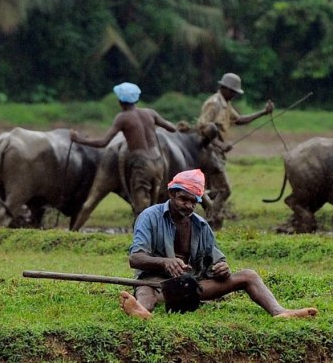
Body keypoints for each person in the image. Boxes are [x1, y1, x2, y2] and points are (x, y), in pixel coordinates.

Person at [119, 168, 318, 320]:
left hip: (192, 285)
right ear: (171, 194)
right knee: (145, 290)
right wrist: (164, 263)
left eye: (192, 202)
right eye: (182, 199)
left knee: (249, 275)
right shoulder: (150, 216)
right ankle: (141, 310)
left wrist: (221, 269)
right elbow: (135, 258)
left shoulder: (201, 225)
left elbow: (216, 261)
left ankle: (280, 311)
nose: (187, 206)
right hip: (156, 283)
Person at [71, 82, 177, 217]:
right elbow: (172, 128)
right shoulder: (150, 113)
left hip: (142, 164)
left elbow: (103, 142)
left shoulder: (122, 118)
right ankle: (153, 233)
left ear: (120, 101)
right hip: (159, 162)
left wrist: (79, 139)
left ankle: (142, 235)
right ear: (136, 99)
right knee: (154, 202)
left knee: (141, 205)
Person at [195, 72, 273, 228]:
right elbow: (202, 127)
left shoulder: (225, 103)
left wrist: (263, 113)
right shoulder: (214, 103)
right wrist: (220, 145)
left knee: (214, 190)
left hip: (217, 153)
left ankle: (209, 214)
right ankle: (211, 219)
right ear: (223, 88)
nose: (234, 95)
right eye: (232, 92)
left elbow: (239, 120)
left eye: (235, 93)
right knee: (225, 189)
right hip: (209, 151)